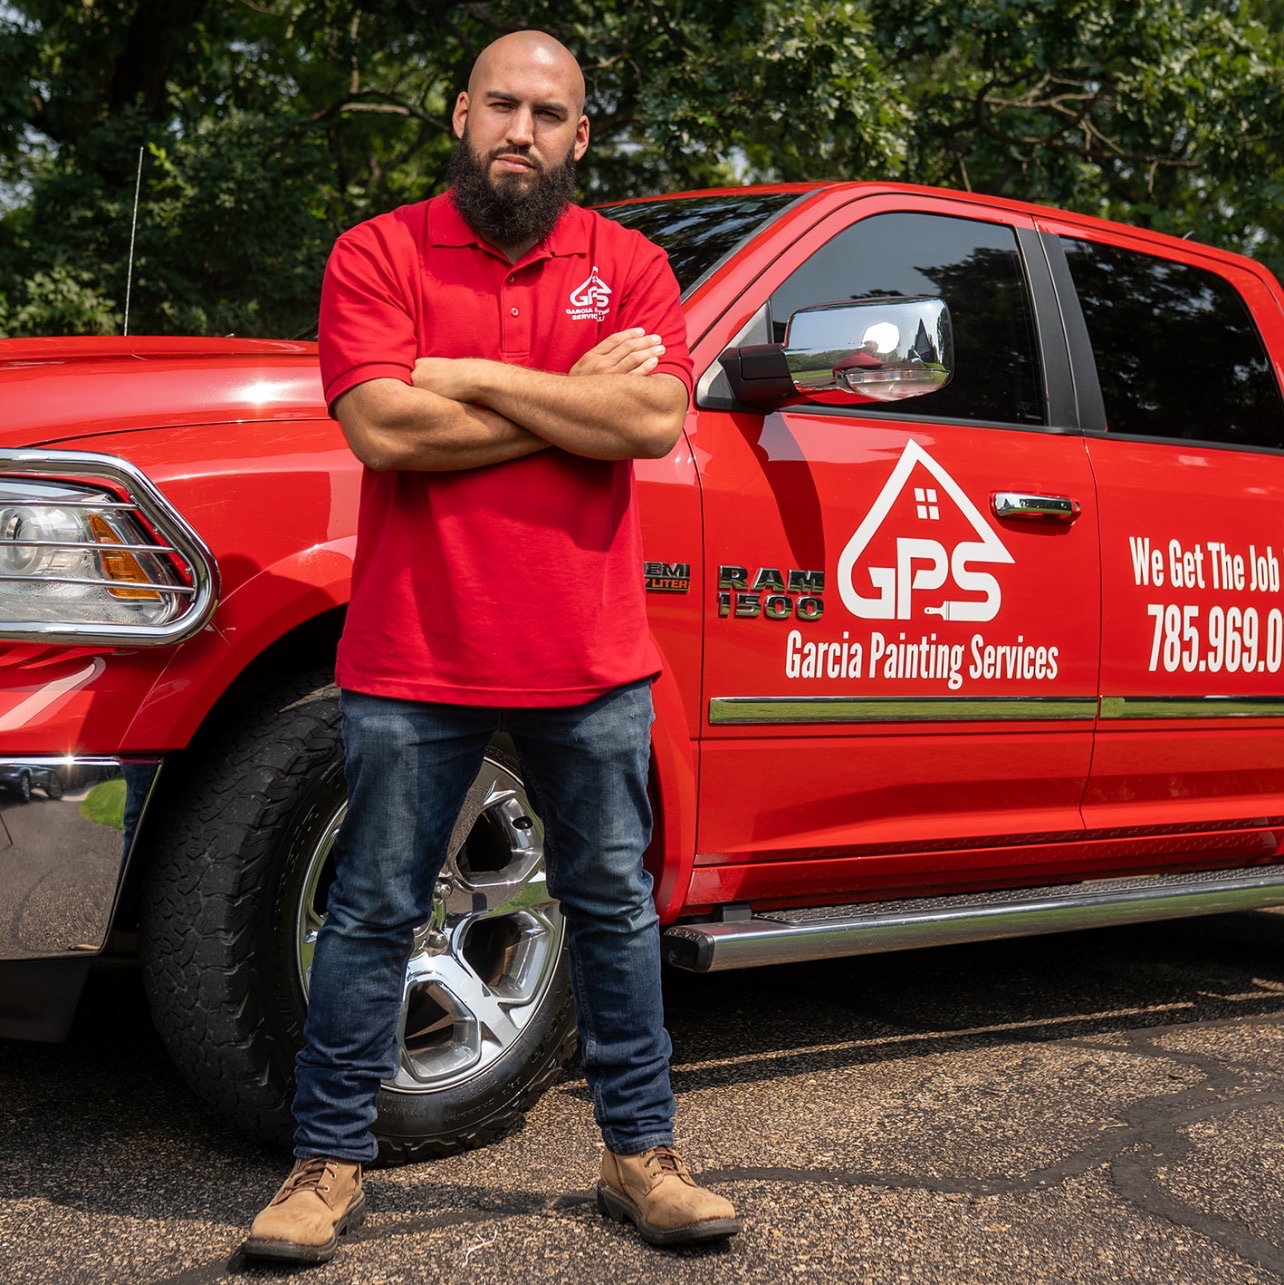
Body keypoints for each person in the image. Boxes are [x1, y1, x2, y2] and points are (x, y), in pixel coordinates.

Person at [240, 29, 741, 1265]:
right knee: (371, 911)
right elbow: (386, 429)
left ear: (581, 137)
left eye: (549, 113)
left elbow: (654, 415)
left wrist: (463, 372)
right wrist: (567, 392)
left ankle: (643, 1154)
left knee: (615, 910)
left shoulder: (626, 263)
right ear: (460, 113)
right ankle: (327, 1165)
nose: (522, 130)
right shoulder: (378, 251)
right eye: (501, 105)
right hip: (415, 653)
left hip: (591, 657)